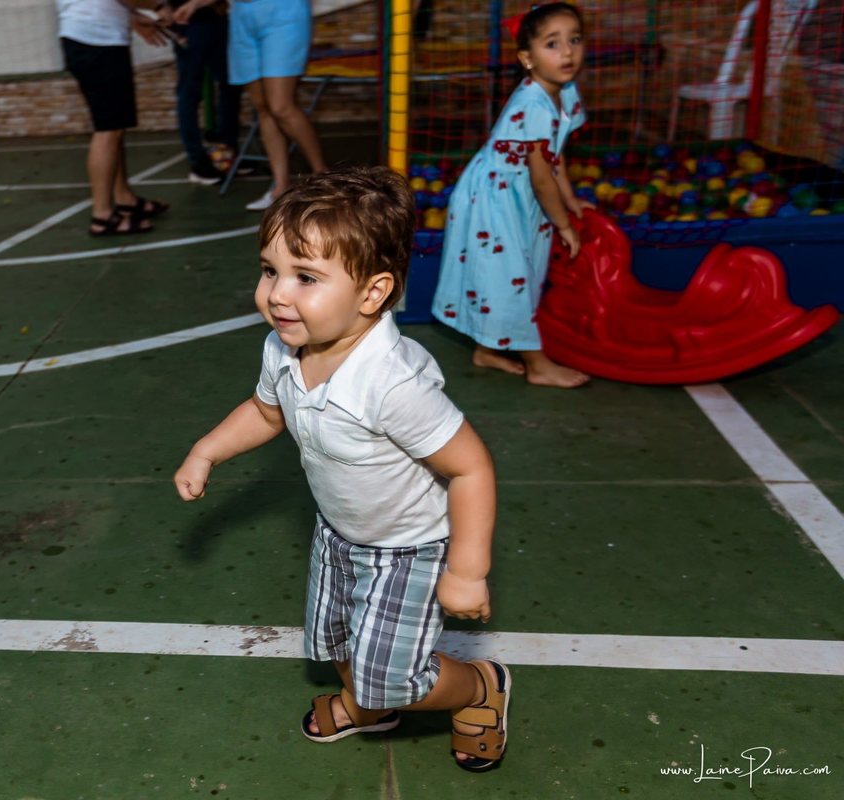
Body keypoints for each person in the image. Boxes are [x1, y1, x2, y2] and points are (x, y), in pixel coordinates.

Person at [174, 167, 510, 771]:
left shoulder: (393, 384)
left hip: (409, 548)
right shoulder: (284, 348)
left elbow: (471, 469)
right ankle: (368, 705)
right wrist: (207, 450)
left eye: (305, 277)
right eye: (270, 270)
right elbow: (265, 411)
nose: (278, 293)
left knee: (394, 677)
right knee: (333, 638)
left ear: (373, 294)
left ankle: (477, 687)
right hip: (339, 531)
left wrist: (467, 570)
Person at [430, 3, 595, 387]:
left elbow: (556, 154)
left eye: (574, 40)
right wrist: (563, 224)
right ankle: (537, 365)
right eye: (552, 44)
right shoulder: (533, 103)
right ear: (527, 59)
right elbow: (541, 178)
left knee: (523, 273)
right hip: (495, 197)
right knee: (510, 276)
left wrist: (569, 199)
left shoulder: (566, 92)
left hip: (520, 195)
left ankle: (487, 349)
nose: (567, 52)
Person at [197, 0, 327, 210]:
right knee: (263, 108)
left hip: (282, 11)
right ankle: (280, 188)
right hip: (242, 17)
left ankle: (326, 179)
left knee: (281, 106)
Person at [57, 0, 171, 236]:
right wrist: (160, 7)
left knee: (114, 126)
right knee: (108, 130)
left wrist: (132, 15)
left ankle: (124, 199)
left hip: (89, 39)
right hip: (97, 42)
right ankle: (102, 216)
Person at [157, 0, 242, 185]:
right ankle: (197, 161)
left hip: (216, 18)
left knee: (231, 84)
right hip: (188, 23)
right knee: (190, 93)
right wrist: (160, 6)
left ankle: (227, 152)